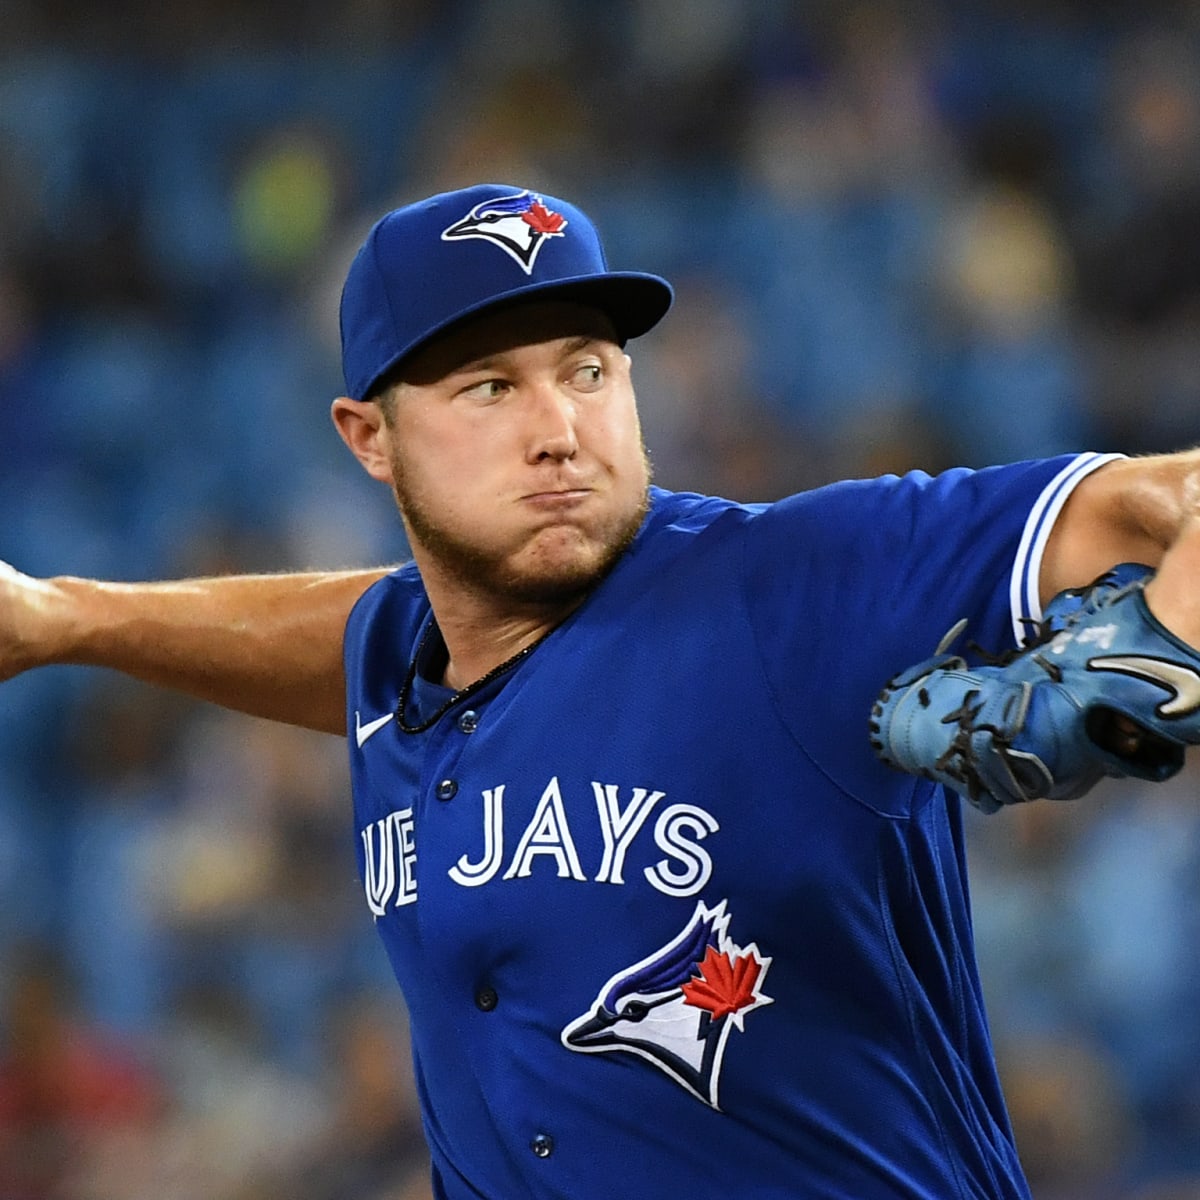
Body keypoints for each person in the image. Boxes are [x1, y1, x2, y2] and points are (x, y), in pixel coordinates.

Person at [3, 181, 1200, 1199]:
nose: (561, 428)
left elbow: (1175, 496)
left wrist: (1148, 660)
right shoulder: (397, 657)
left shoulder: (786, 587)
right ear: (369, 438)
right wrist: (67, 618)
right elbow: (357, 628)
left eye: (587, 370)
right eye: (489, 388)